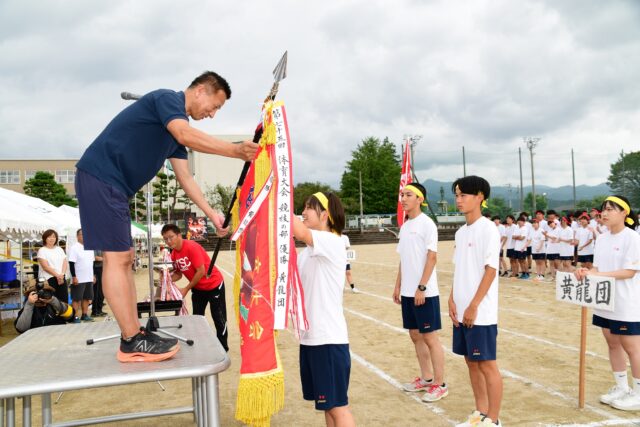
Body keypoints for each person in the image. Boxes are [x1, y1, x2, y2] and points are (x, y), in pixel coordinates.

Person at [75, 71, 257, 362]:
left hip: (114, 187)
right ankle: (130, 339)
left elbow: (186, 179)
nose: (212, 114)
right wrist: (235, 150)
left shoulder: (174, 135)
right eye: (215, 106)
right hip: (101, 177)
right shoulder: (166, 100)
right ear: (200, 91)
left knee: (126, 257)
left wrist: (213, 216)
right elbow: (186, 134)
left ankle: (135, 333)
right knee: (117, 258)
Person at [292, 192, 355, 427]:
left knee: (338, 407)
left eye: (310, 207)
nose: (304, 212)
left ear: (325, 215)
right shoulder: (307, 252)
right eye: (304, 207)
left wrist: (278, 199)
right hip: (311, 339)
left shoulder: (332, 240)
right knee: (327, 406)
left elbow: (299, 231)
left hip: (328, 339)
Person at [575, 195, 640, 411]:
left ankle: (638, 392)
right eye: (603, 209)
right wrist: (586, 272)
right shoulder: (602, 239)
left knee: (632, 347)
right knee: (612, 342)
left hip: (626, 302)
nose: (604, 212)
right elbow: (596, 268)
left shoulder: (632, 238)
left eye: (611, 209)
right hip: (605, 299)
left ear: (624, 213)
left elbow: (629, 272)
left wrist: (600, 275)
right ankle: (621, 386)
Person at [448, 176, 503, 427]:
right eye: (457, 195)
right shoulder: (461, 233)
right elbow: (459, 268)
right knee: (470, 361)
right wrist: (452, 298)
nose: (458, 200)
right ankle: (479, 414)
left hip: (480, 310)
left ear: (480, 196)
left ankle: (493, 419)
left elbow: (490, 269)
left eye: (464, 195)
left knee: (486, 363)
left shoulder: (488, 228)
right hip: (460, 309)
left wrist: (473, 305)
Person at [393, 183, 448, 402]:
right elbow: (403, 259)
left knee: (430, 337)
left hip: (424, 292)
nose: (404, 198)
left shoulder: (427, 224)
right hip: (407, 292)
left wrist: (422, 287)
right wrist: (398, 286)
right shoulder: (405, 226)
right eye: (402, 195)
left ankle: (440, 383)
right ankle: (426, 379)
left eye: (408, 195)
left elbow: (432, 257)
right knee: (415, 335)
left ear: (420, 199)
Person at [161, 224, 228, 351]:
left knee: (219, 317)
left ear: (179, 235)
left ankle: (223, 348)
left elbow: (201, 271)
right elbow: (179, 274)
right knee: (197, 318)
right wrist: (166, 278)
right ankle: (199, 344)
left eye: (171, 237)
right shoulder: (174, 254)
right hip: (198, 288)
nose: (169, 241)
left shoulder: (191, 247)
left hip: (213, 284)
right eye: (165, 239)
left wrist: (186, 288)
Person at [67, 229, 96, 323]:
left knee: (87, 297)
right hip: (78, 278)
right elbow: (71, 263)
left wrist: (93, 275)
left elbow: (92, 263)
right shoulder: (74, 248)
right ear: (77, 236)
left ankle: (84, 314)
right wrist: (74, 276)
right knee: (76, 298)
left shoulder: (90, 247)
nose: (84, 236)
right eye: (82, 234)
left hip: (89, 277)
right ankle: (75, 317)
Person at [37, 229, 69, 304]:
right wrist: (57, 275)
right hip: (49, 279)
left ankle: (63, 315)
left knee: (63, 299)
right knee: (51, 300)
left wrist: (62, 274)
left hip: (61, 277)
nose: (52, 239)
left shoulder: (59, 249)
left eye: (54, 237)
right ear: (45, 238)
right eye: (49, 237)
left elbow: (64, 262)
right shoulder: (42, 250)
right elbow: (45, 267)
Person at [91, 249, 106, 317]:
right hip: (96, 269)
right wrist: (105, 259)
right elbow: (94, 257)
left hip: (103, 268)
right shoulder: (94, 246)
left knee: (102, 291)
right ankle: (94, 311)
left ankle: (99, 310)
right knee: (96, 291)